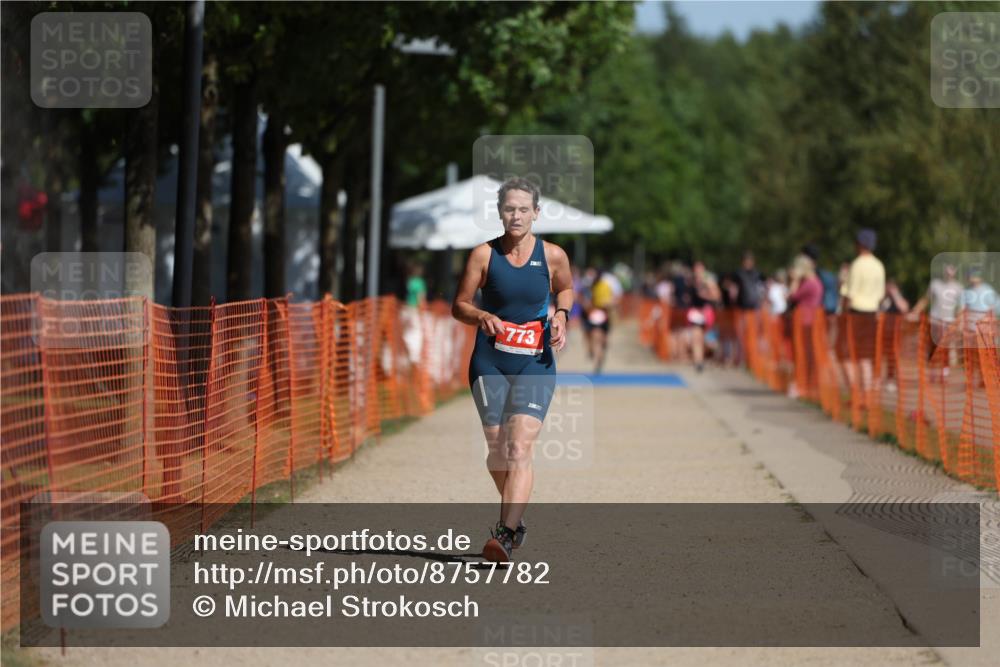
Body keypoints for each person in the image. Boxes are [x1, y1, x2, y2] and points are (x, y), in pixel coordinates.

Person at [452, 177, 573, 563]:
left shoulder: (553, 255)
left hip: (534, 361)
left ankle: (504, 535)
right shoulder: (482, 256)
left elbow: (566, 289)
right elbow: (459, 305)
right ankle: (516, 520)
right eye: (509, 209)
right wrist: (481, 314)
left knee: (519, 446)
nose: (516, 215)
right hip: (489, 360)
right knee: (497, 452)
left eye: (523, 209)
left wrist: (563, 315)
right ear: (500, 212)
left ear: (536, 213)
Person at [839, 228, 886, 405]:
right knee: (865, 357)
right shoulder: (879, 265)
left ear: (859, 244)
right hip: (872, 313)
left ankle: (855, 394)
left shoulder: (857, 264)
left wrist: (843, 314)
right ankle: (866, 397)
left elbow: (848, 294)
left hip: (855, 313)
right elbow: (881, 295)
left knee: (846, 355)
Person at [786, 253, 823, 399]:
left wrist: (794, 280)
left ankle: (805, 385)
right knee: (805, 353)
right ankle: (805, 384)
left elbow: (792, 295)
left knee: (804, 353)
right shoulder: (812, 281)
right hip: (806, 320)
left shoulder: (809, 283)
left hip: (806, 321)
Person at [583, 267, 616, 374]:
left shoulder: (603, 286)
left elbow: (610, 302)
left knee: (597, 338)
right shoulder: (594, 286)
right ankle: (597, 355)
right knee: (596, 338)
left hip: (600, 314)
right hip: (598, 314)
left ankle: (597, 355)